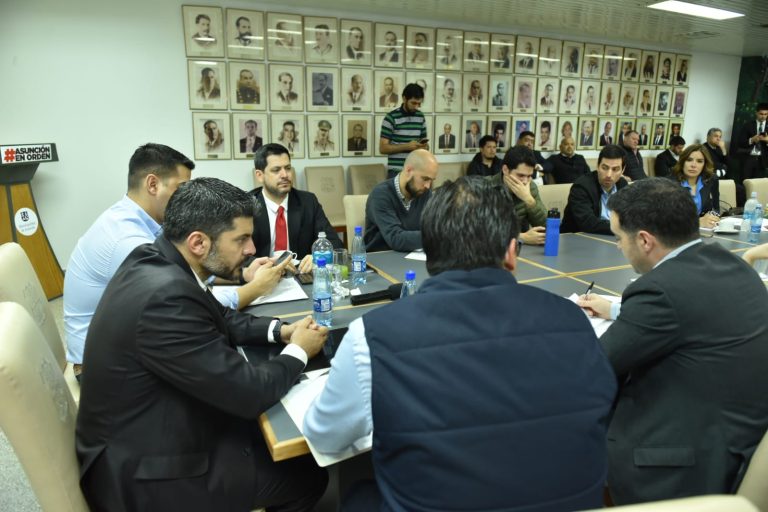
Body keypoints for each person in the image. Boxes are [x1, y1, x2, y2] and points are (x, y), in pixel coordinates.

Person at [305, 176, 616, 512]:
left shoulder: (371, 337)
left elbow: (324, 436)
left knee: (357, 485)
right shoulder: (575, 322)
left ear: (428, 253)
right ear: (512, 252)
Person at [76, 177, 329, 512]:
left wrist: (281, 331)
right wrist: (298, 350)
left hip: (147, 425)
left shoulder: (158, 258)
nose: (252, 250)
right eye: (241, 239)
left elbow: (219, 315)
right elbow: (249, 392)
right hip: (148, 474)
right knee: (308, 476)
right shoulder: (165, 298)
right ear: (198, 242)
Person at [577, 177, 768, 505]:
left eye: (619, 237)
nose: (618, 246)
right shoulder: (733, 265)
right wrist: (618, 309)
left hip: (682, 468)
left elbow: (595, 366)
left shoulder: (659, 289)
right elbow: (693, 312)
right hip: (738, 441)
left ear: (645, 240)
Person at [64, 143, 287, 379]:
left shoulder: (140, 221)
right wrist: (256, 288)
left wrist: (242, 275)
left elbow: (188, 271)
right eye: (181, 188)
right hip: (105, 367)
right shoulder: (128, 242)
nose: (187, 198)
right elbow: (192, 305)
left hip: (130, 344)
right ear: (152, 184)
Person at [249, 144, 342, 274]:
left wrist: (317, 257)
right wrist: (268, 265)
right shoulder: (245, 206)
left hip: (300, 274)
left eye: (288, 168)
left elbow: (334, 243)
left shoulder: (308, 202)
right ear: (260, 175)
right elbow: (236, 256)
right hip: (262, 276)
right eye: (276, 170)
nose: (285, 175)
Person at [364, 149, 437, 251]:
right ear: (409, 170)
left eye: (431, 180)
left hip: (413, 255)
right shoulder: (380, 195)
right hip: (380, 256)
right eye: (425, 179)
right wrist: (436, 236)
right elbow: (395, 238)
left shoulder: (424, 193)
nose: (428, 186)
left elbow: (432, 227)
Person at [562, 144, 629, 234]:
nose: (609, 175)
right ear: (598, 166)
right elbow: (588, 223)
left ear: (623, 170)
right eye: (605, 168)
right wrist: (623, 228)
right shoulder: (581, 187)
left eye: (615, 169)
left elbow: (629, 215)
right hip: (579, 237)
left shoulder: (623, 185)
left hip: (614, 237)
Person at [487, 146, 548, 245]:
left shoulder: (530, 186)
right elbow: (479, 232)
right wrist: (520, 237)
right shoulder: (485, 188)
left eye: (529, 176)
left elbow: (547, 228)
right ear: (505, 170)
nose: (525, 182)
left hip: (522, 250)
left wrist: (529, 200)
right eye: (521, 175)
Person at [380, 83, 428, 178]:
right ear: (404, 99)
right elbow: (383, 148)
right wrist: (407, 146)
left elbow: (425, 145)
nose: (416, 107)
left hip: (415, 170)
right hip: (396, 171)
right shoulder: (391, 117)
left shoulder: (420, 116)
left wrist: (424, 147)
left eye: (419, 103)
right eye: (413, 103)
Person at [669, 144, 720, 228]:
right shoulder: (669, 183)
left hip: (705, 230)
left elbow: (716, 209)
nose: (693, 165)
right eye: (689, 160)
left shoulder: (711, 180)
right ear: (682, 162)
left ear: (705, 164)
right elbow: (665, 220)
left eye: (699, 161)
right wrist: (697, 222)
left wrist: (712, 218)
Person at [734, 102, 768, 181]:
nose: (763, 116)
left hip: (762, 161)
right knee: (745, 182)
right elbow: (740, 142)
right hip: (748, 159)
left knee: (758, 184)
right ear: (756, 113)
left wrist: (767, 140)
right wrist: (752, 140)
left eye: (766, 114)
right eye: (761, 114)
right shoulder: (748, 125)